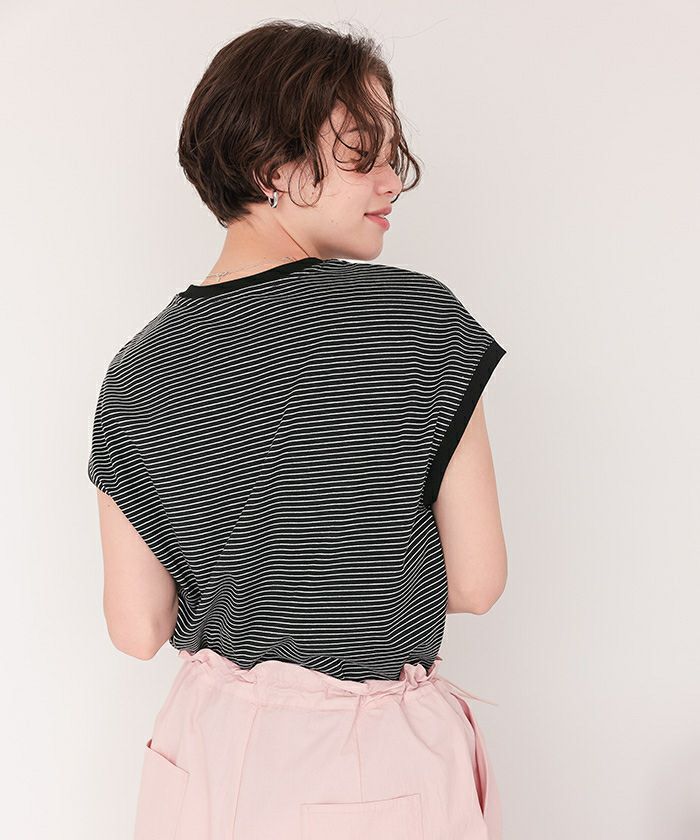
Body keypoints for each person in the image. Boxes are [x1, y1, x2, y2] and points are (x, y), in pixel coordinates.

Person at [87, 19, 508, 840]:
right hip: (361, 765)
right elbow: (477, 582)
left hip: (198, 755)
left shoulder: (134, 370)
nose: (392, 181)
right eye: (364, 153)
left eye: (394, 154)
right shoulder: (416, 322)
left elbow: (137, 629)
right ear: (272, 169)